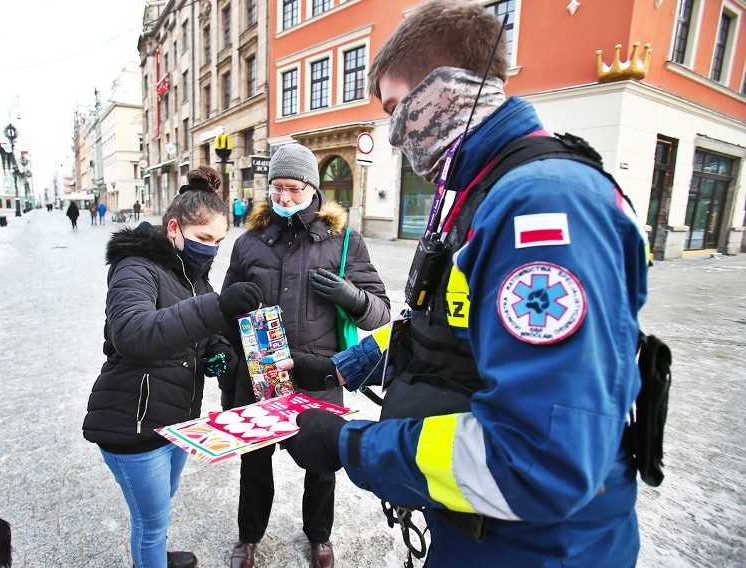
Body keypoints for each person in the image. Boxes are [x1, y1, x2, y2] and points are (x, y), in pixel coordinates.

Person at [282, 2, 650, 567]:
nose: (395, 132)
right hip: (481, 533)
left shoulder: (541, 207)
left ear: (443, 89)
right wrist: (341, 369)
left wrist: (347, 444)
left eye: (396, 107)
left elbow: (538, 460)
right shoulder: (484, 190)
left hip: (537, 548)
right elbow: (445, 334)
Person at [82, 165, 263, 568]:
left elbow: (201, 329)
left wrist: (219, 351)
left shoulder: (194, 276)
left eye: (218, 241)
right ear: (174, 230)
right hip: (133, 422)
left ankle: (158, 555)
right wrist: (217, 307)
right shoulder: (135, 267)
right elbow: (133, 333)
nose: (211, 249)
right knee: (150, 523)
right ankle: (152, 557)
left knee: (160, 509)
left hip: (177, 420)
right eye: (202, 238)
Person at [221, 143, 390, 568]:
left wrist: (351, 296)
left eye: (293, 189)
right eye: (276, 189)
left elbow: (380, 312)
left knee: (321, 465)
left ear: (312, 188)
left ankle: (319, 537)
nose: (283, 198)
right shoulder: (249, 243)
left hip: (319, 375)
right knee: (254, 461)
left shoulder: (345, 242)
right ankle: (249, 537)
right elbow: (225, 307)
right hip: (260, 373)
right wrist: (228, 324)